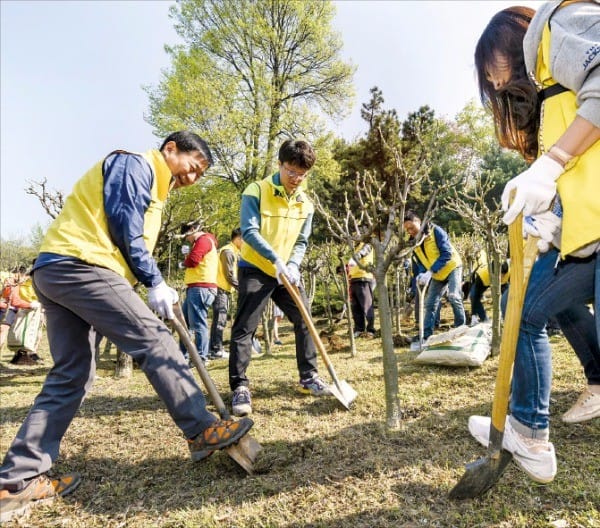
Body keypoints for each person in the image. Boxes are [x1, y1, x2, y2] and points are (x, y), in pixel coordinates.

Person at [0, 131, 254, 523]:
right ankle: (201, 428)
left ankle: (16, 480)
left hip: (57, 269)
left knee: (72, 375)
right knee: (155, 339)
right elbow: (123, 224)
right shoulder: (134, 164)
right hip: (83, 264)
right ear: (171, 149)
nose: (193, 177)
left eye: (201, 174)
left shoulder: (155, 186)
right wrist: (154, 280)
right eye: (193, 165)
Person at [466, 3, 600, 485]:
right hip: (589, 231)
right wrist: (554, 217)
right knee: (522, 308)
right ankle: (530, 433)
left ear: (512, 40)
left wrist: (552, 163)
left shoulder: (559, 25)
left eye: (493, 72)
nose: (497, 85)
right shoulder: (551, 99)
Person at [228, 139, 331, 417]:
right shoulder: (256, 190)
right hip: (256, 267)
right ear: (280, 165)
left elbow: (301, 240)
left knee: (304, 318)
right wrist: (274, 260)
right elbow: (249, 231)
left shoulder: (305, 204)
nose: (296, 179)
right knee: (245, 328)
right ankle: (239, 386)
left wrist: (293, 263)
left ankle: (308, 377)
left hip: (287, 271)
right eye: (291, 171)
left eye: (302, 174)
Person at [403, 211, 466, 341]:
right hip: (437, 274)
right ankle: (426, 335)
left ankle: (461, 329)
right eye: (407, 229)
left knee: (453, 296)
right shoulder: (414, 242)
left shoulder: (436, 231)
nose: (410, 231)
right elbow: (419, 262)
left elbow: (447, 253)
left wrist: (430, 272)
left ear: (419, 222)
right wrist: (421, 274)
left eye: (412, 227)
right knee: (430, 303)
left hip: (452, 267)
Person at [179, 222, 219, 363]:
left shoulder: (203, 240)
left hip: (201, 287)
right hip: (197, 287)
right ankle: (183, 357)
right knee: (184, 323)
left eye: (187, 237)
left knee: (198, 324)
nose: (188, 240)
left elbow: (194, 260)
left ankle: (202, 357)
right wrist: (187, 257)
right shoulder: (204, 241)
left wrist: (183, 263)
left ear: (191, 231)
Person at [209, 227, 242, 359]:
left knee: (220, 320)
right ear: (238, 238)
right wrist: (242, 289)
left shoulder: (233, 251)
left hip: (224, 290)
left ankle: (215, 349)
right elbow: (229, 275)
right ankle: (216, 350)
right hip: (220, 289)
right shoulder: (228, 251)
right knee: (220, 320)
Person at [7, 263, 44, 365]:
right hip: (23, 308)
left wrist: (41, 305)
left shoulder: (38, 282)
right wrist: (28, 304)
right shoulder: (23, 282)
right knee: (20, 331)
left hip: (36, 308)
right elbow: (16, 298)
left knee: (36, 331)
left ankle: (32, 353)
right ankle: (20, 354)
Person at [347, 243, 376, 338]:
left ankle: (370, 330)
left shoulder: (367, 244)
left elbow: (362, 253)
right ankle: (359, 329)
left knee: (366, 306)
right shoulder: (354, 247)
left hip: (364, 278)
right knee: (356, 308)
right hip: (354, 279)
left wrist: (355, 258)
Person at [469, 260, 510, 324]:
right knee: (474, 296)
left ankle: (506, 317)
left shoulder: (508, 273)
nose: (501, 277)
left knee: (507, 297)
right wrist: (473, 313)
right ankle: (484, 319)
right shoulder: (482, 274)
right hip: (483, 280)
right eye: (499, 275)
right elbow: (475, 296)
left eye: (503, 275)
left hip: (502, 283)